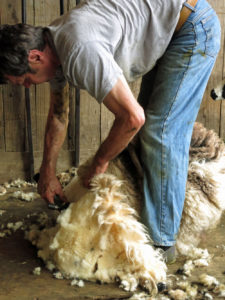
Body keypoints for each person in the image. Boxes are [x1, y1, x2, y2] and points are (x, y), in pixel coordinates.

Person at [0, 0, 221, 262]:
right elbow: (59, 116)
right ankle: (148, 215)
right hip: (169, 30)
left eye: (25, 80)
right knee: (147, 131)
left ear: (35, 57)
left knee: (159, 131)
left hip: (192, 27)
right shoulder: (53, 46)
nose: (27, 86)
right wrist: (47, 173)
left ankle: (162, 243)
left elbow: (131, 118)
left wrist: (99, 162)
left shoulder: (79, 50)